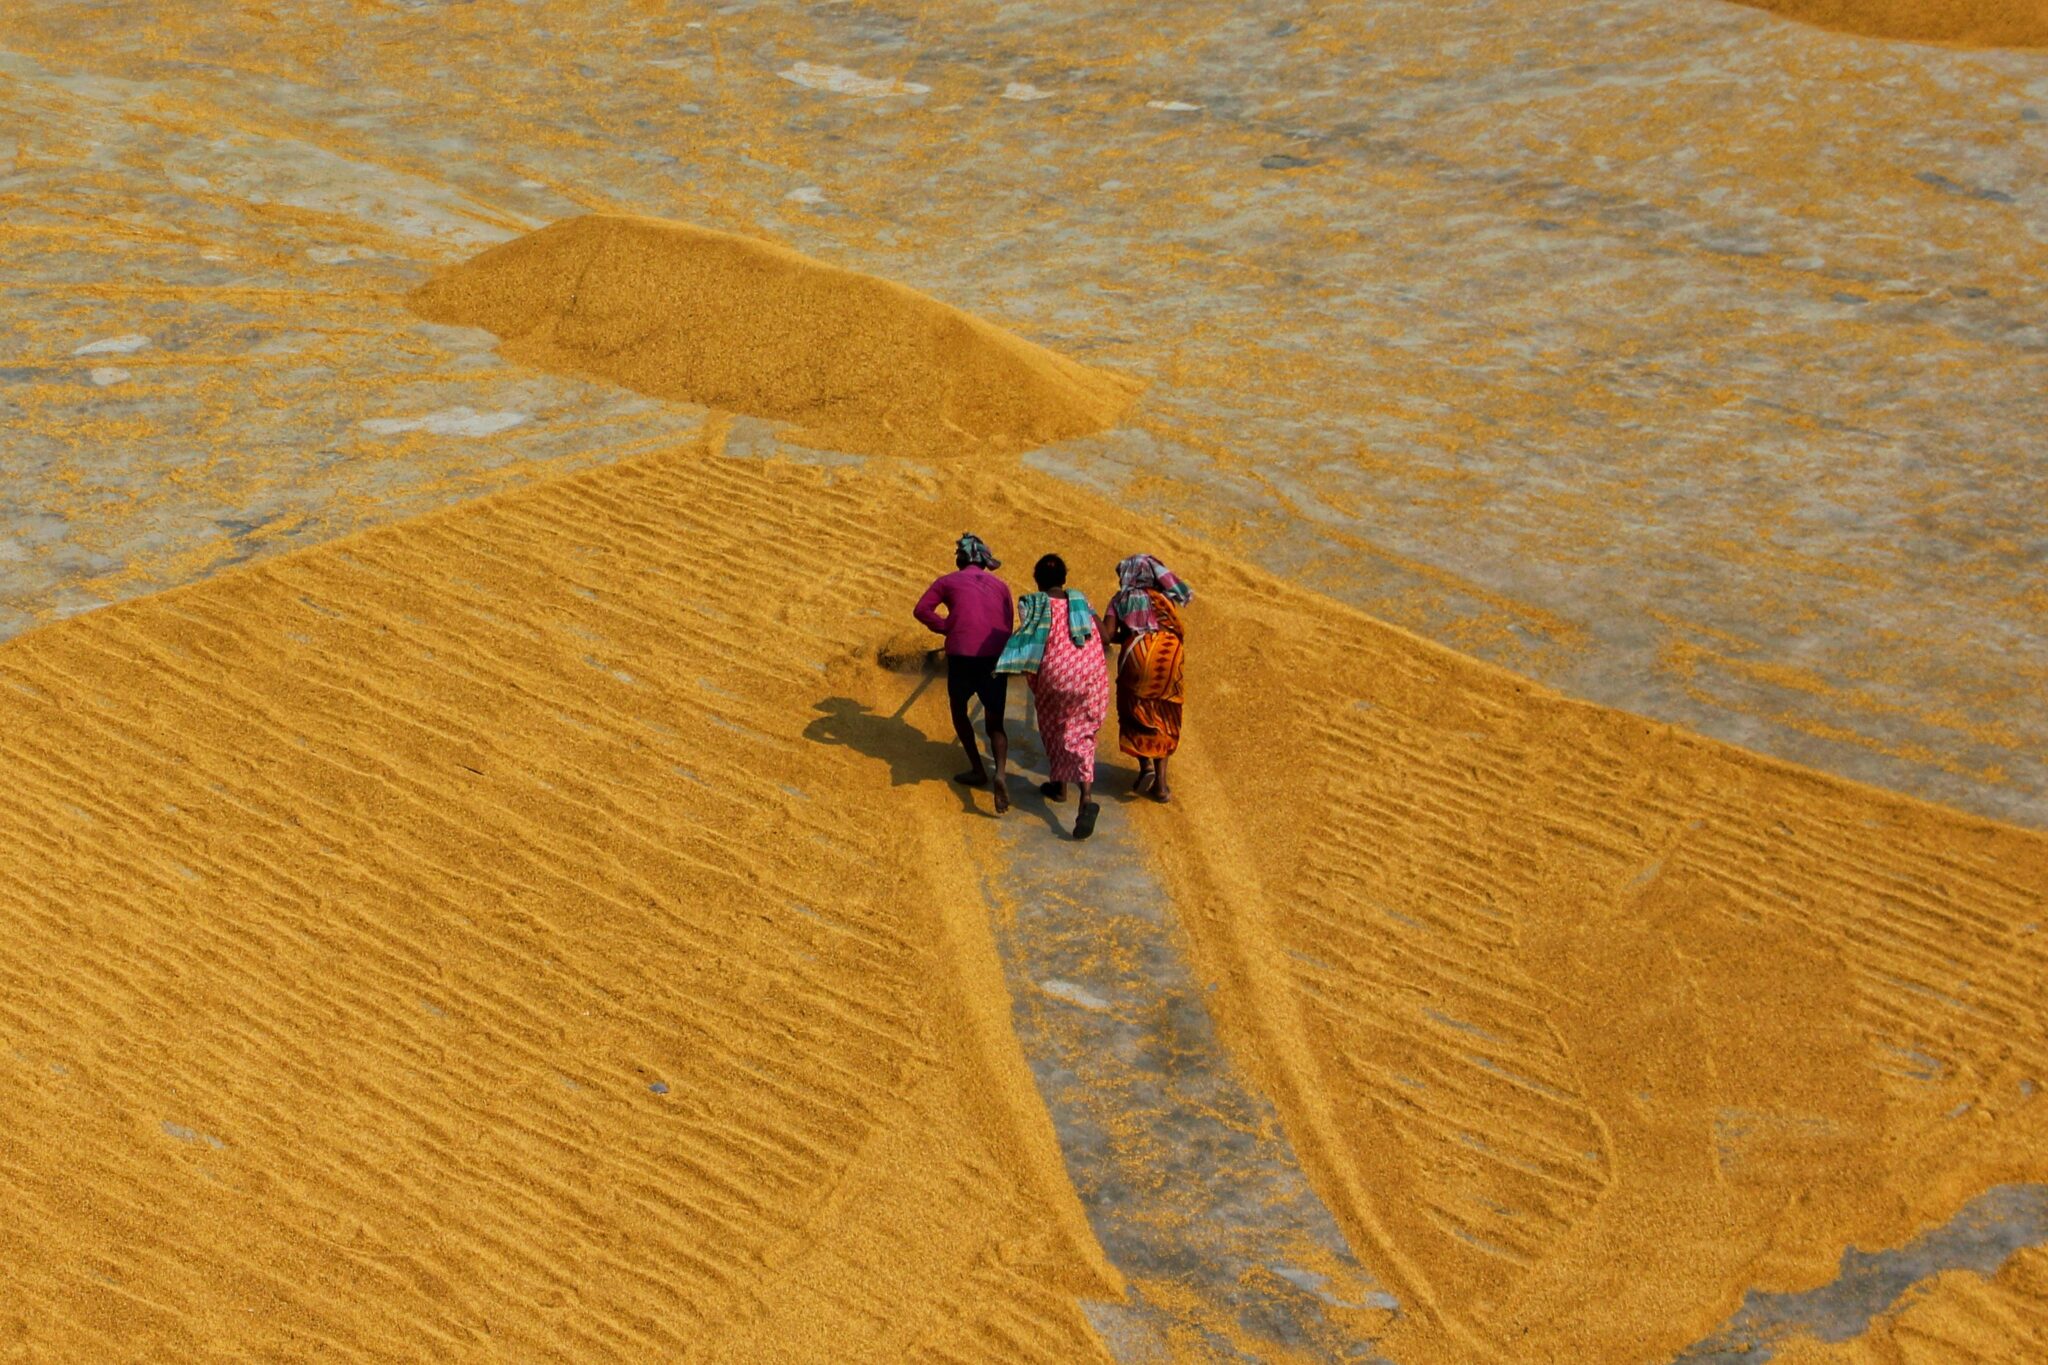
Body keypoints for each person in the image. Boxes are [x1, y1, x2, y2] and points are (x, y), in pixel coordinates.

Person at [997, 553, 1110, 839]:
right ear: (1064, 578)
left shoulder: (1032, 604)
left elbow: (1031, 638)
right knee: (1082, 734)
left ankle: (1059, 787)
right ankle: (1086, 797)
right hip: (1089, 674)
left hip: (1056, 674)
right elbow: (1106, 637)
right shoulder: (1081, 601)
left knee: (1054, 726)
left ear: (1037, 580)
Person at [913, 533, 1015, 812]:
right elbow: (1007, 623)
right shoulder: (1001, 586)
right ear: (984, 562)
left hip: (961, 655)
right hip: (994, 657)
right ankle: (1000, 774)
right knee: (995, 722)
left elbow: (921, 610)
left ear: (960, 559)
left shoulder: (947, 581)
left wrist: (946, 626)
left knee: (959, 708)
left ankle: (978, 770)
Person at [1105, 554, 1191, 803]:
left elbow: (1107, 635)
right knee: (1164, 714)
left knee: (1134, 709)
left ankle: (1146, 767)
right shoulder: (1163, 598)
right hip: (1170, 656)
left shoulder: (1120, 599)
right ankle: (1161, 785)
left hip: (1139, 656)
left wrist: (1126, 635)